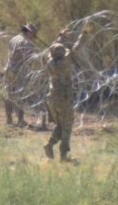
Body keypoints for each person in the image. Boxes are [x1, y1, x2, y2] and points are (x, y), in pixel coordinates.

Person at [43, 22, 91, 161]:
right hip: (64, 99)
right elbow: (77, 47)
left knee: (60, 124)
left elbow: (50, 50)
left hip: (52, 98)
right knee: (67, 127)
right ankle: (63, 154)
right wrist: (85, 33)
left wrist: (60, 37)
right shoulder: (66, 61)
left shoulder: (50, 61)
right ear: (62, 53)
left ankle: (49, 144)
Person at [4, 23, 38, 127]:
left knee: (9, 94)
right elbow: (29, 60)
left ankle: (9, 119)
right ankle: (20, 119)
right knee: (21, 94)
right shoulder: (27, 43)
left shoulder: (14, 39)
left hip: (9, 69)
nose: (33, 36)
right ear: (28, 32)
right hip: (19, 71)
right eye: (33, 34)